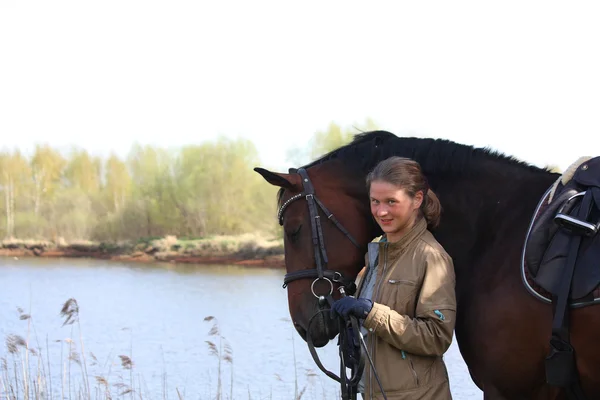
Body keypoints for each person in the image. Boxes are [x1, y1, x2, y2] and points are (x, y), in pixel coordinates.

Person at [331, 156, 457, 400]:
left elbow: (436, 337)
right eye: (375, 201)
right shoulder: (377, 254)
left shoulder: (432, 257)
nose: (381, 211)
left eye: (391, 201)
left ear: (417, 199)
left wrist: (371, 313)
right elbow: (375, 330)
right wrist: (351, 327)